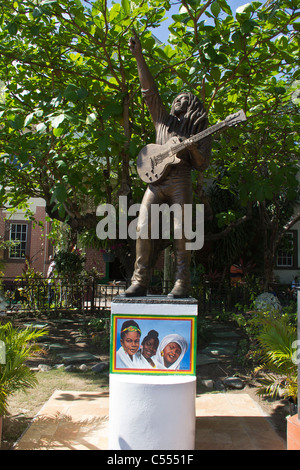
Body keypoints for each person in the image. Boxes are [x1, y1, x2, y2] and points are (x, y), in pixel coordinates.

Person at [124, 34, 211, 299]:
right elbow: (149, 91)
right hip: (155, 180)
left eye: (183, 98)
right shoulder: (162, 119)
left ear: (192, 105)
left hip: (180, 179)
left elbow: (202, 164)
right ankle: (139, 281)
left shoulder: (200, 129)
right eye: (175, 98)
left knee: (180, 230)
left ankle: (181, 283)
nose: (177, 100)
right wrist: (139, 56)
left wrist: (192, 146)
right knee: (142, 227)